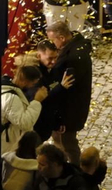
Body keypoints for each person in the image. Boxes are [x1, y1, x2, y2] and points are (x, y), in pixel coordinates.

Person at [34, 19, 91, 161]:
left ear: (62, 38)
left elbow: (69, 93)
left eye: (52, 40)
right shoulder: (76, 48)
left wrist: (61, 119)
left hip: (68, 114)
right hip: (67, 112)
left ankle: (72, 170)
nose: (52, 44)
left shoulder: (72, 58)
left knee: (67, 145)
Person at [1, 62, 46, 154]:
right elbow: (24, 123)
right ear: (25, 80)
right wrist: (37, 101)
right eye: (33, 84)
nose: (32, 87)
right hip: (8, 147)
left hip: (10, 143)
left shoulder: (12, 91)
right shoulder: (11, 97)